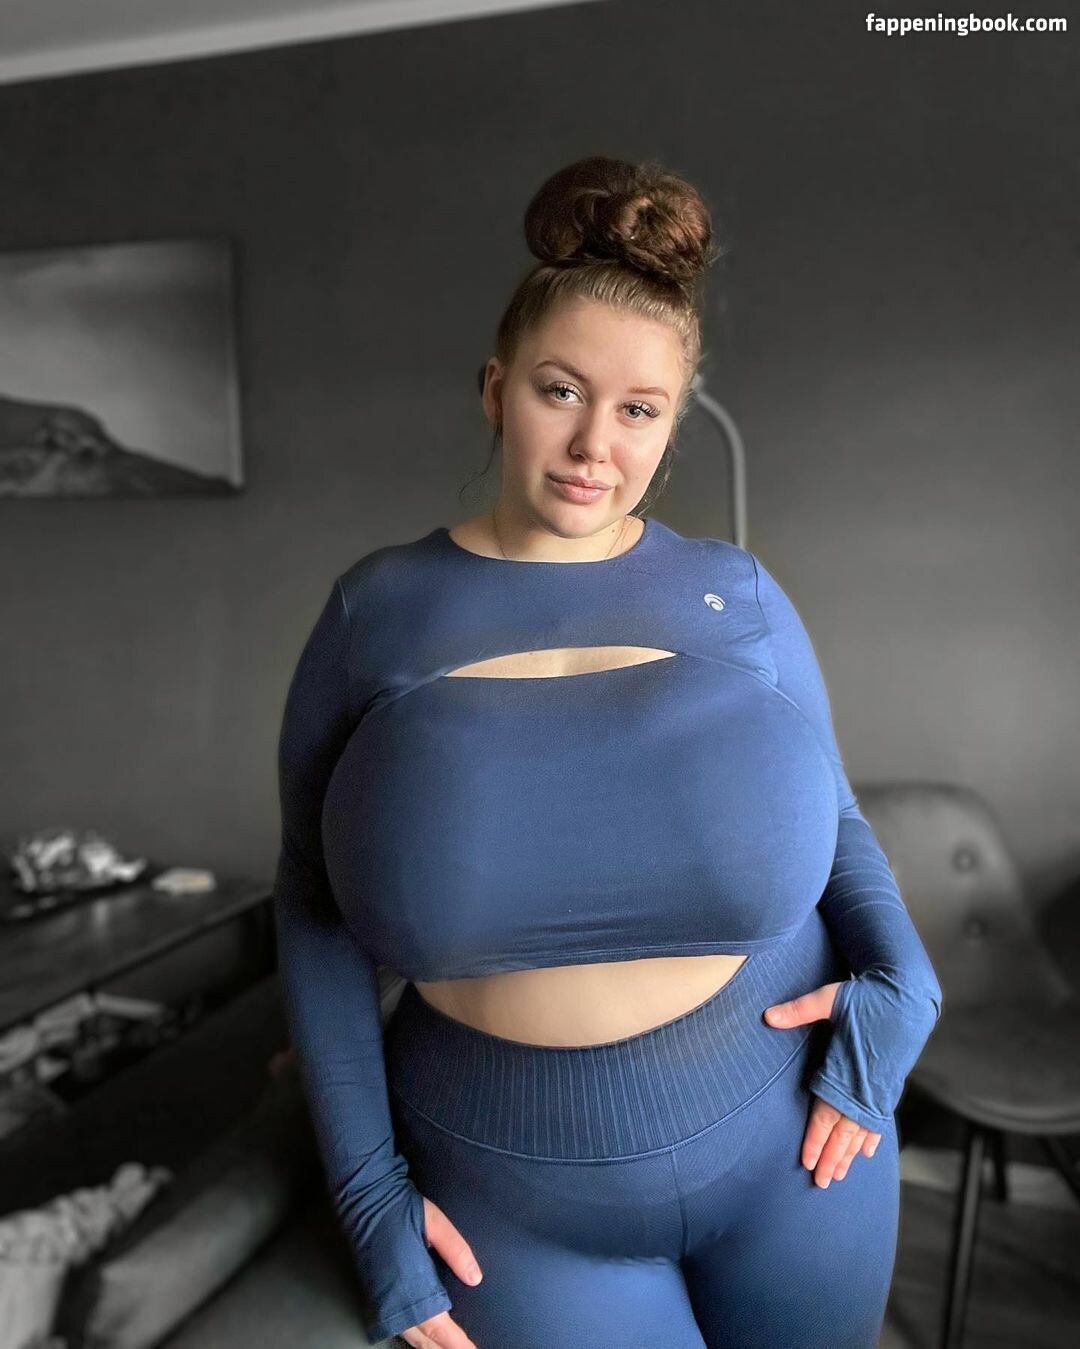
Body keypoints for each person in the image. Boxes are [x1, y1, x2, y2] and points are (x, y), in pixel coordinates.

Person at [273, 155, 943, 1349]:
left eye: (638, 409)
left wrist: (907, 976)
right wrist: (369, 1195)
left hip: (789, 1137)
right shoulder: (378, 613)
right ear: (496, 389)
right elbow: (311, 904)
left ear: (671, 426)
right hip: (510, 1188)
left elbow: (835, 816)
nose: (594, 443)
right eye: (560, 389)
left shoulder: (736, 595)